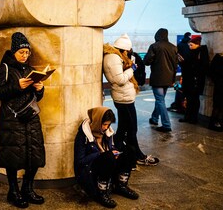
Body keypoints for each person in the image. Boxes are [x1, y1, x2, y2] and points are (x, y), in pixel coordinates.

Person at [0, 32, 45, 208]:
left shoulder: (30, 70)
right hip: (12, 120)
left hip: (31, 118)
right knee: (12, 157)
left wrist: (40, 88)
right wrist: (16, 86)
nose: (25, 56)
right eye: (22, 52)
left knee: (34, 154)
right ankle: (13, 191)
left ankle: (27, 189)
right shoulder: (4, 68)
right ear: (14, 51)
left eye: (27, 53)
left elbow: (37, 97)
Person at [103, 34, 159, 168]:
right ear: (124, 50)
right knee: (132, 128)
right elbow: (119, 79)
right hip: (123, 98)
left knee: (123, 128)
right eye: (128, 52)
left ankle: (117, 150)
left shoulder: (114, 57)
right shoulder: (113, 58)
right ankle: (137, 156)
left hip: (125, 97)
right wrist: (131, 69)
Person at [74, 107, 139, 209]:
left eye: (108, 125)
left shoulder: (107, 132)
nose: (106, 127)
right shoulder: (83, 136)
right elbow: (80, 162)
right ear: (97, 121)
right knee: (108, 156)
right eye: (104, 124)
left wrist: (115, 152)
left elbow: (111, 148)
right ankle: (101, 192)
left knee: (129, 150)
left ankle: (120, 185)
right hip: (90, 171)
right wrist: (100, 154)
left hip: (106, 164)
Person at [144, 28, 178, 132]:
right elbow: (175, 65)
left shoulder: (155, 46)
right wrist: (173, 78)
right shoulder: (173, 47)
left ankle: (166, 125)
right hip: (168, 79)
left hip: (158, 79)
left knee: (160, 100)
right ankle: (154, 118)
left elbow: (147, 61)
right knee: (160, 100)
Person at [178, 36, 209, 124]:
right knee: (189, 98)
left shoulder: (200, 53)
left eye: (191, 45)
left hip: (195, 81)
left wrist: (185, 63)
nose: (189, 47)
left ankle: (193, 118)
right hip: (189, 80)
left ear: (197, 44)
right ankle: (188, 116)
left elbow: (200, 67)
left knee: (194, 100)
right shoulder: (193, 52)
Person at [208, 53, 223, 132]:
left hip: (218, 85)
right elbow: (211, 71)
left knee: (218, 105)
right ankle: (216, 123)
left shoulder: (218, 57)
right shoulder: (218, 57)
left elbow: (211, 71)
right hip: (220, 85)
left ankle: (215, 123)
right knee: (219, 105)